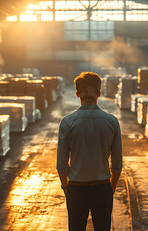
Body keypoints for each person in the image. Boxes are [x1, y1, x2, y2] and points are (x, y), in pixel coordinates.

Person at [56, 71, 123, 231]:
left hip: (76, 189)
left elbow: (61, 165)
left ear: (78, 94)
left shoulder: (67, 123)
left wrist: (66, 187)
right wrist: (110, 188)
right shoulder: (112, 122)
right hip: (102, 188)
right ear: (99, 93)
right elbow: (117, 165)